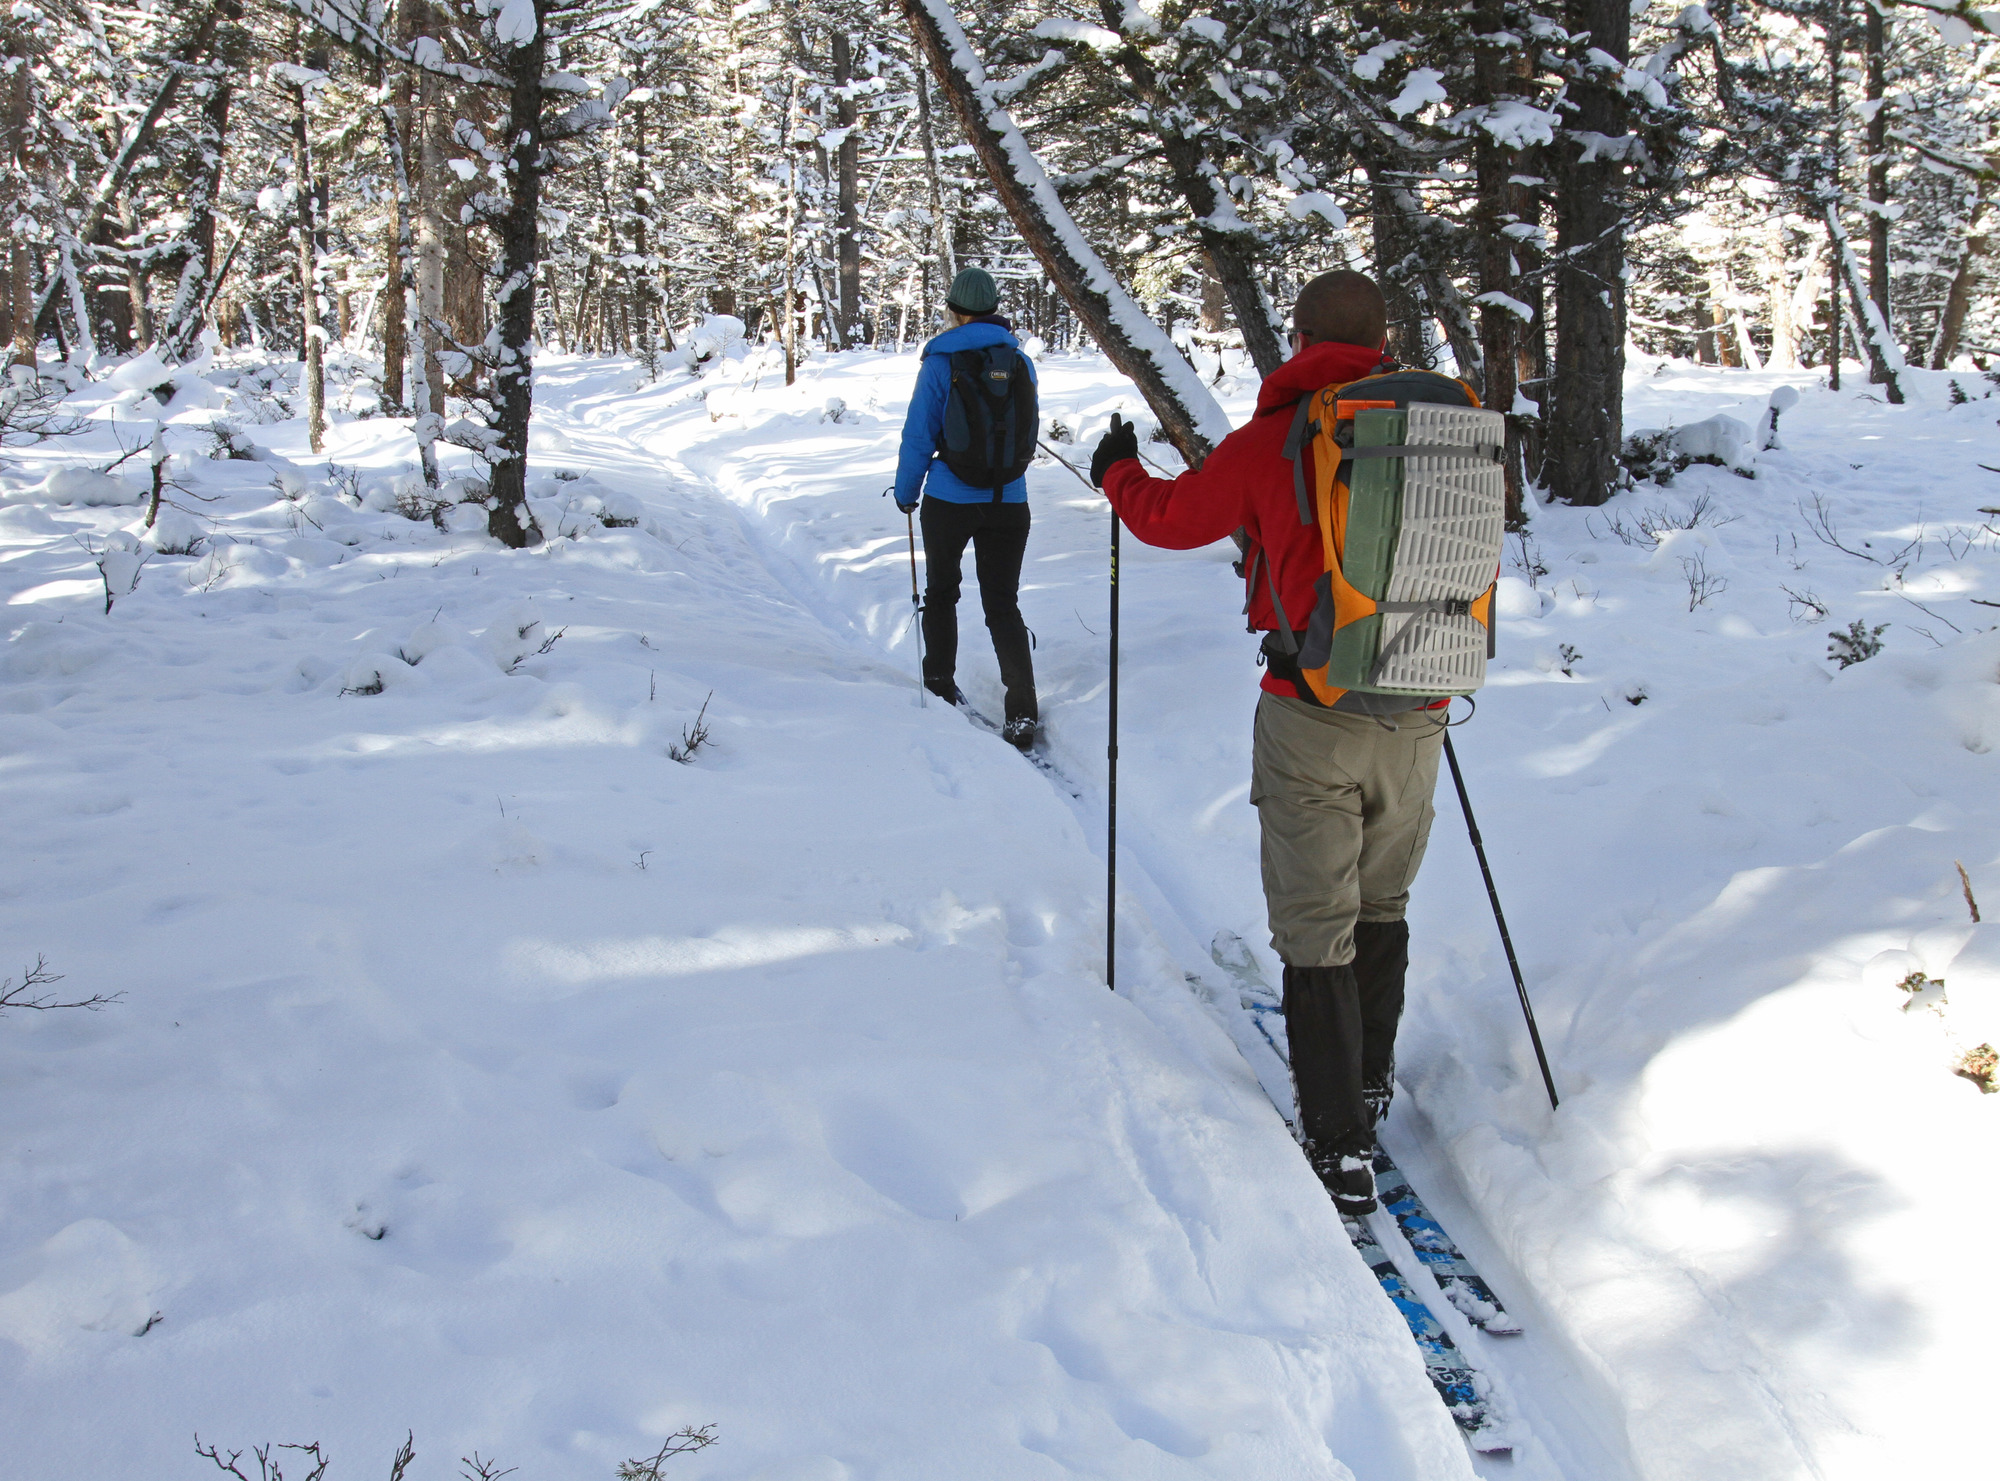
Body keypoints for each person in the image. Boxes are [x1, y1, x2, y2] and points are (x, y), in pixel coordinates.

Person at [1090, 270, 1473, 1216]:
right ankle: (1369, 1083)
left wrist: (1115, 471)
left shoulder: (1277, 439)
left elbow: (1173, 520)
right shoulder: (1435, 432)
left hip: (1311, 713)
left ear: (1297, 340)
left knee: (1316, 923)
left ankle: (1341, 1141)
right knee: (1382, 901)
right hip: (1421, 707)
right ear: (1383, 342)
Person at [894, 267, 1041, 750]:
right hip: (1009, 498)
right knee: (1003, 603)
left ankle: (939, 681)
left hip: (950, 498)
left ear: (954, 311)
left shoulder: (940, 363)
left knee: (942, 592)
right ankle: (1021, 709)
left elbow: (920, 434)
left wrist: (906, 491)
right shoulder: (1019, 363)